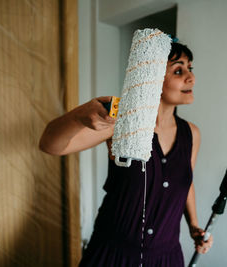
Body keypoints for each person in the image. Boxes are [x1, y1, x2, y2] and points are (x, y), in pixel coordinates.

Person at [39, 42, 213, 266]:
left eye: (190, 68)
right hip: (113, 256)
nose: (191, 78)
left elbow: (186, 181)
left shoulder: (192, 134)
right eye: (179, 70)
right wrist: (80, 116)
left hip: (166, 258)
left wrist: (194, 226)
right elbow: (49, 144)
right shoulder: (123, 123)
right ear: (152, 78)